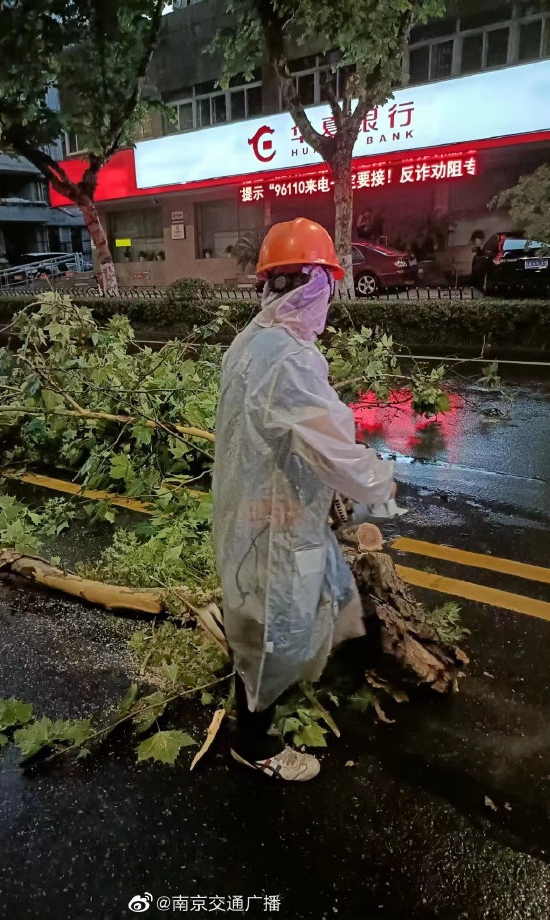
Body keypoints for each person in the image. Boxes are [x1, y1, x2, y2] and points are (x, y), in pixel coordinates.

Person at [212, 217, 395, 782]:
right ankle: (255, 744)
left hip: (252, 509)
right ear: (317, 285)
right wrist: (380, 484)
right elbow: (335, 449)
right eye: (324, 287)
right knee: (274, 630)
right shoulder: (290, 360)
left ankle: (278, 686)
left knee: (275, 610)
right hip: (278, 516)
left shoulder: (251, 342)